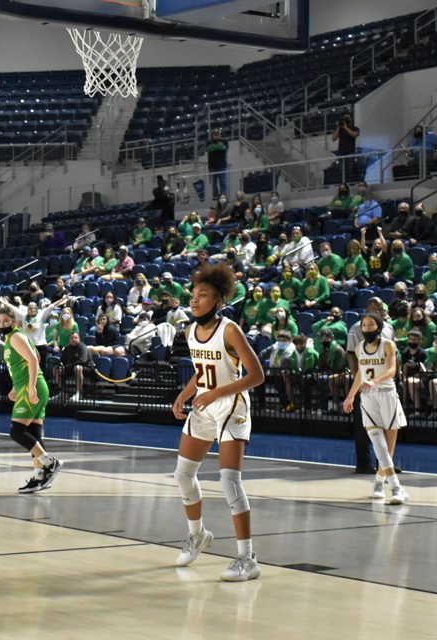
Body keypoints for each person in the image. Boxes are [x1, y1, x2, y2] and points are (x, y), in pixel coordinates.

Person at [170, 263, 265, 581]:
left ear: (219, 300)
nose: (195, 300)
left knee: (229, 481)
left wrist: (215, 394)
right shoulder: (190, 331)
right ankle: (197, 535)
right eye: (194, 294)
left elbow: (256, 375)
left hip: (231, 405)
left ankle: (247, 558)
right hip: (204, 404)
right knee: (183, 474)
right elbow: (202, 372)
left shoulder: (229, 329)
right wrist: (184, 394)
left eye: (204, 295)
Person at [343, 314, 410, 504]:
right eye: (364, 325)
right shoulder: (358, 348)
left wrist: (375, 381)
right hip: (367, 397)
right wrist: (350, 396)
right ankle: (397, 488)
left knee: (387, 449)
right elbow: (359, 375)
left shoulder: (388, 345)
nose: (367, 327)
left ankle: (379, 483)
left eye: (371, 324)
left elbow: (392, 370)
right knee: (378, 444)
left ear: (378, 327)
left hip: (387, 394)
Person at [0, 308, 64, 493]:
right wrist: (14, 387)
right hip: (27, 385)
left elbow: (34, 360)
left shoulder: (16, 337)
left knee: (17, 431)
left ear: (14, 321)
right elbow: (27, 361)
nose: (2, 324)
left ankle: (50, 462)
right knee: (34, 433)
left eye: (5, 320)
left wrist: (31, 387)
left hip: (31, 386)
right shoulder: (14, 338)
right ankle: (39, 477)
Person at [345, 298, 394, 474]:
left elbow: (391, 360)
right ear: (367, 309)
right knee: (364, 426)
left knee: (388, 425)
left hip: (385, 384)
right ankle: (363, 462)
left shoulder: (389, 328)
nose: (377, 309)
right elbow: (351, 355)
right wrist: (357, 383)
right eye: (373, 307)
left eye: (379, 307)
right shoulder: (357, 328)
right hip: (365, 384)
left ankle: (386, 464)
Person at [57, 332, 93, 401]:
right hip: (70, 369)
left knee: (78, 367)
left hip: (86, 369)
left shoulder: (82, 347)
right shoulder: (67, 348)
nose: (73, 339)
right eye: (72, 338)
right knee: (56, 369)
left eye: (75, 338)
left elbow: (82, 361)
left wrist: (66, 367)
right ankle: (63, 392)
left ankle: (79, 393)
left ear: (79, 339)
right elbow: (62, 360)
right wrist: (60, 365)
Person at [203, 129, 229, 200]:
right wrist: (217, 146)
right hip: (212, 166)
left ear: (220, 134)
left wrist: (213, 147)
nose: (216, 135)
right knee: (214, 184)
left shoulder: (225, 141)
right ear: (212, 135)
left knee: (223, 182)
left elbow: (224, 148)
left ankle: (223, 196)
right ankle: (215, 197)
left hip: (221, 165)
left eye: (217, 134)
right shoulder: (209, 142)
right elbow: (207, 149)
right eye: (215, 134)